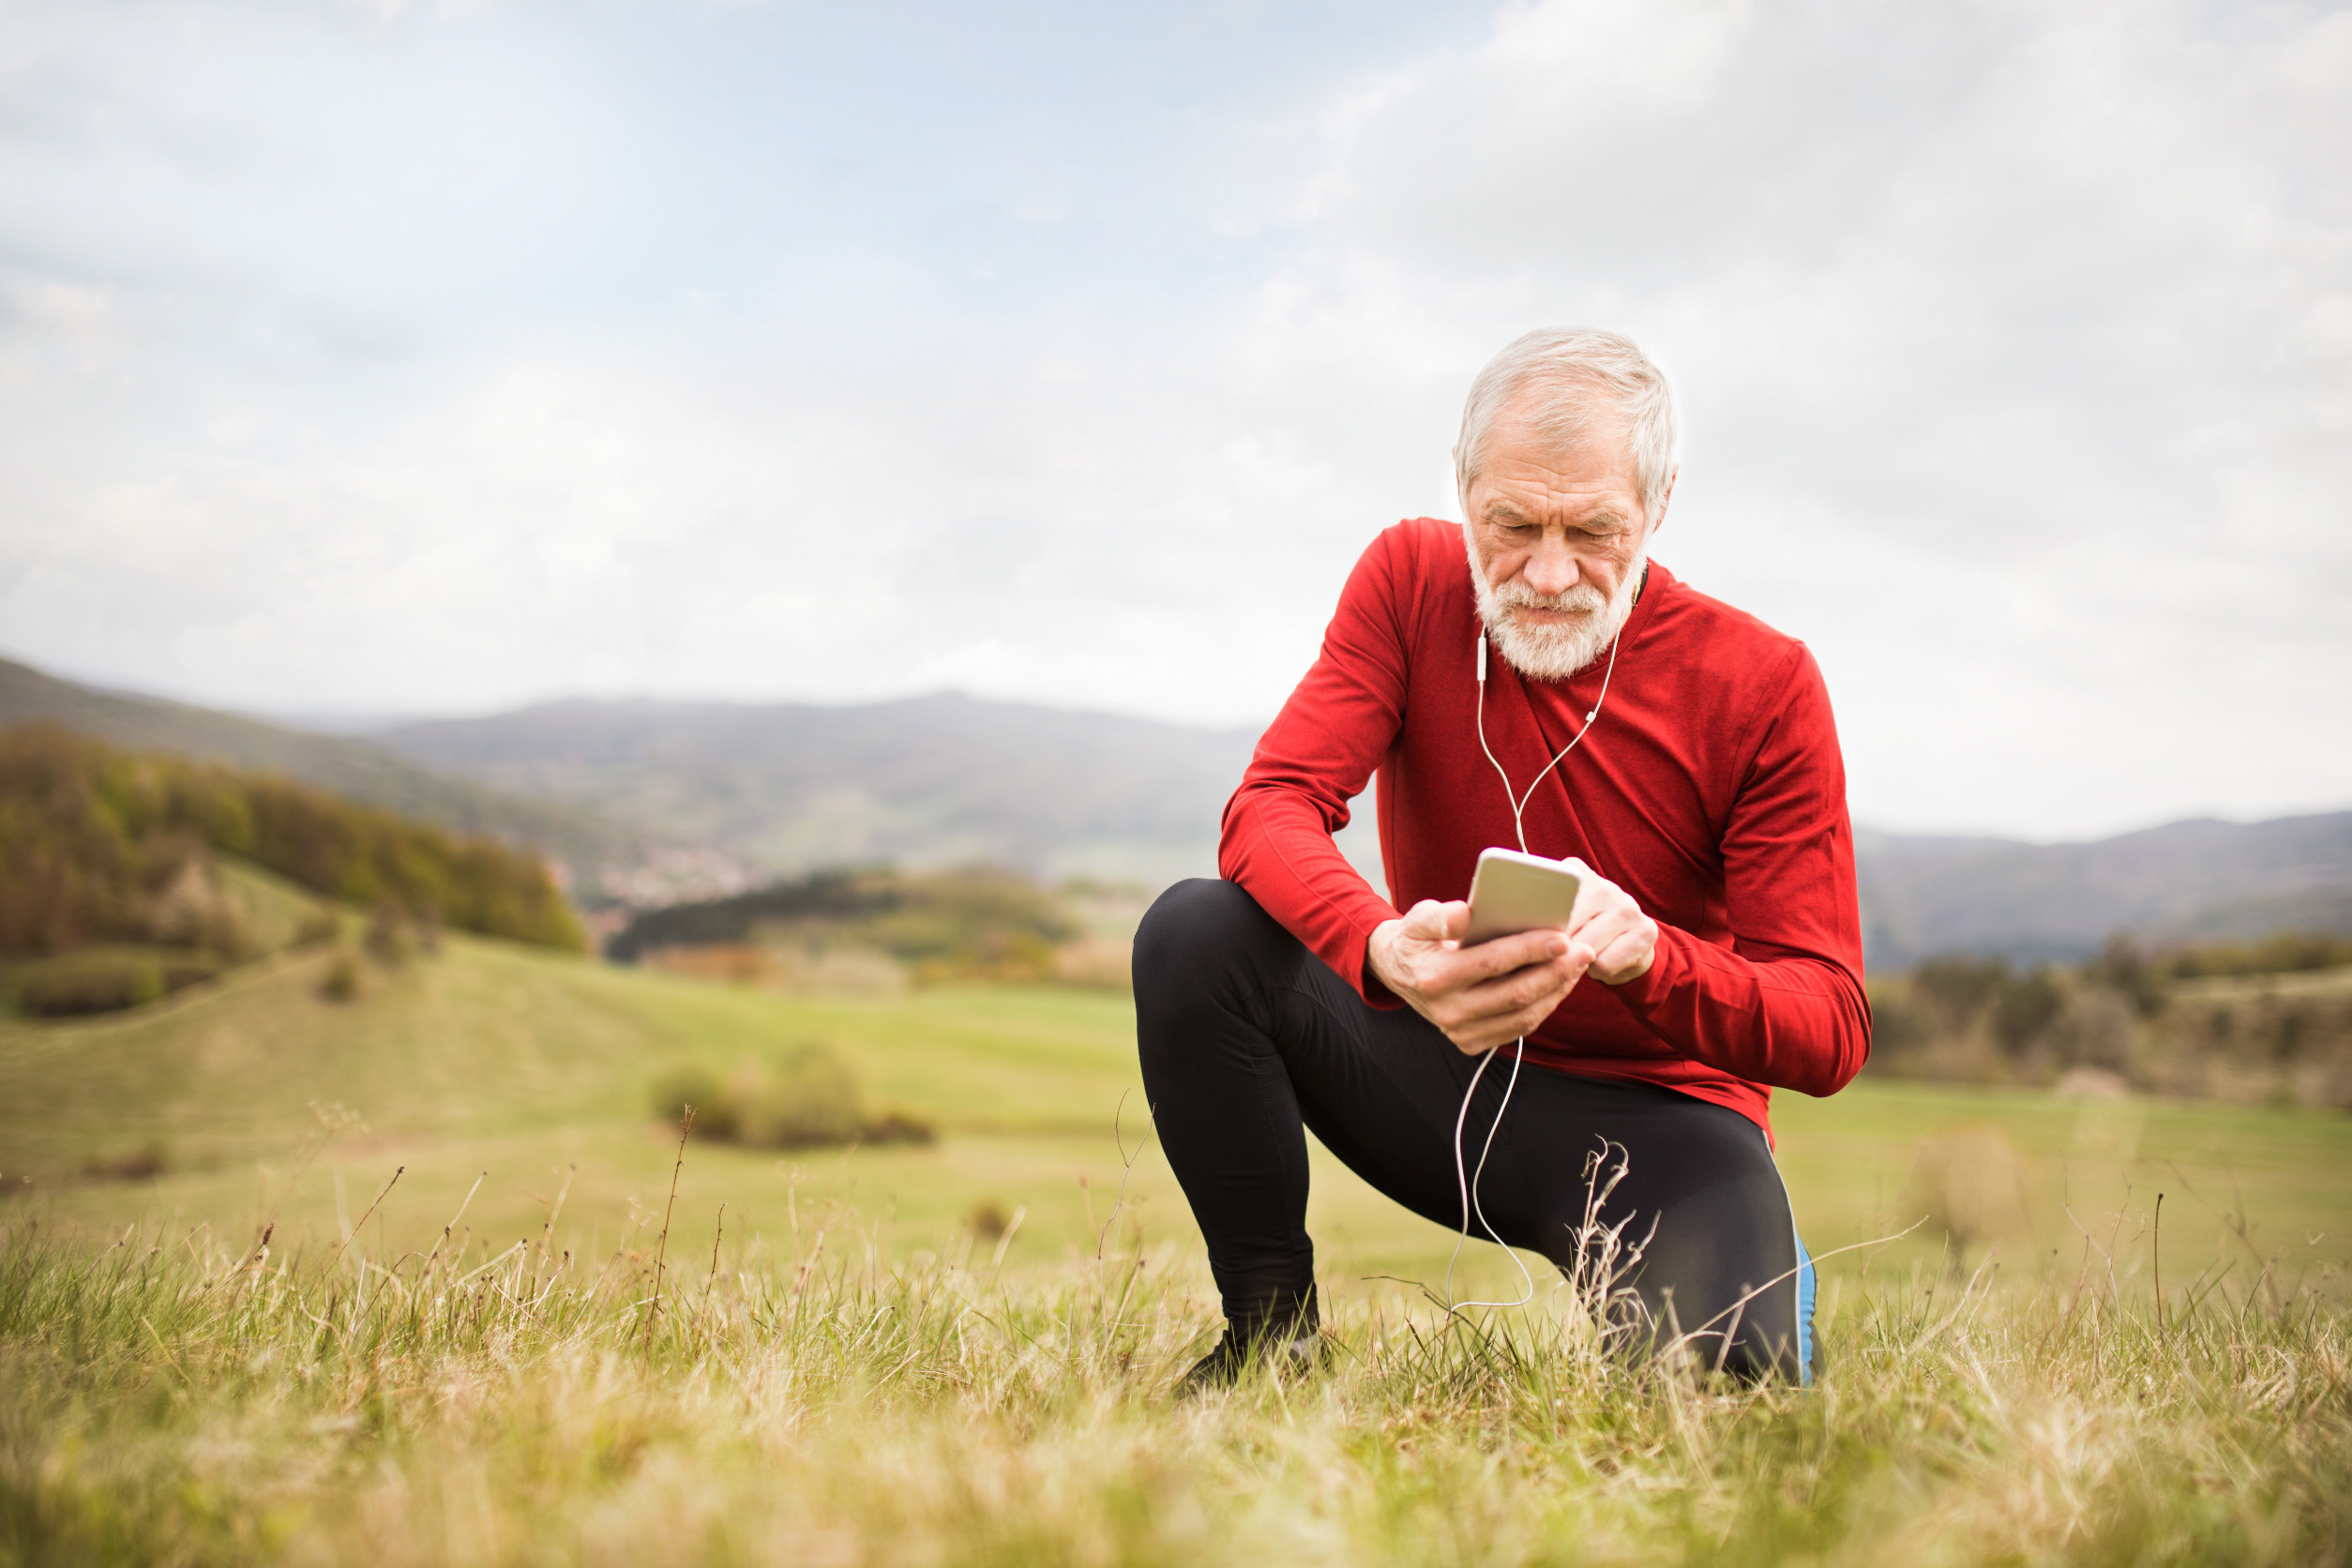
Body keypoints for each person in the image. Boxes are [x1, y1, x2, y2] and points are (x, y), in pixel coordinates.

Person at [1135, 327, 1869, 1392]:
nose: (1549, 572)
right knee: (1197, 933)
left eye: (1594, 531)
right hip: (1434, 1070)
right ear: (1464, 489)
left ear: (1658, 507)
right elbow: (1272, 806)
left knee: (1721, 1399)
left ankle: (1759, 1265)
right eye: (1513, 524)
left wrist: (1655, 959)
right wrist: (1380, 947)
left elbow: (1829, 1026)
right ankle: (1269, 1336)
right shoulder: (1409, 579)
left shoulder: (1764, 683)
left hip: (1657, 1122)